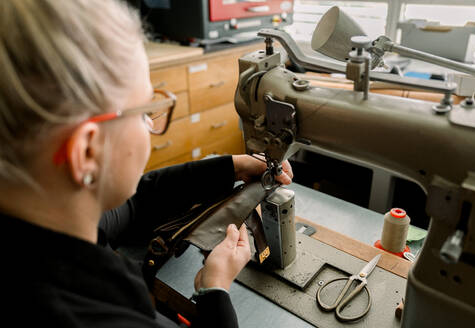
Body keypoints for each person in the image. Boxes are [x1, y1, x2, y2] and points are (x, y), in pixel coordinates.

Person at [0, 1, 293, 327]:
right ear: (87, 152)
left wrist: (230, 167)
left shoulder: (46, 220)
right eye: (144, 112)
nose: (152, 124)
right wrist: (214, 295)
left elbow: (135, 202)